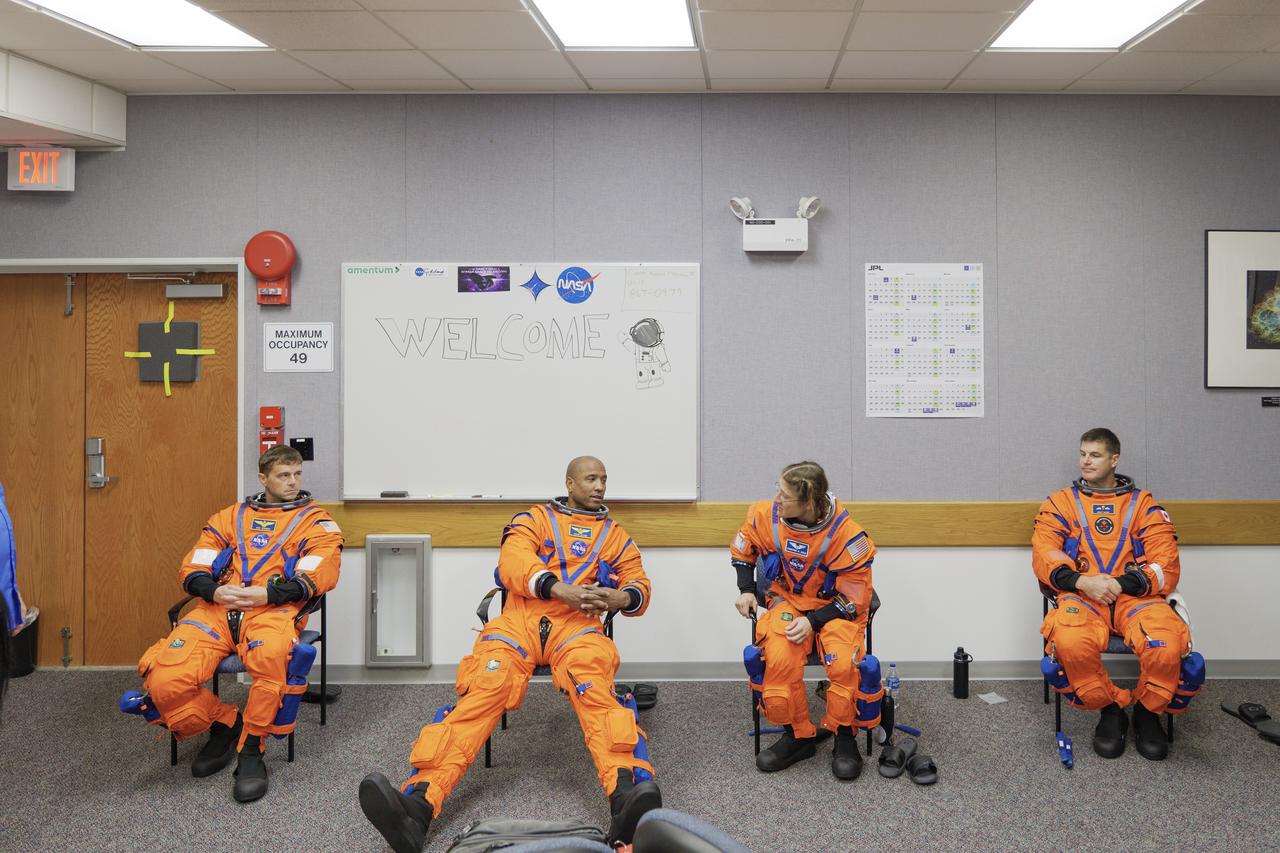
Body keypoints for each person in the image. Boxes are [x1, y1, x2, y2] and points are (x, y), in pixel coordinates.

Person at [359, 456, 660, 852]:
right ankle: (417, 806)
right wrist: (558, 588)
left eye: (604, 478)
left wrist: (621, 596)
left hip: (578, 628)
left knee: (597, 691)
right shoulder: (533, 519)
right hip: (519, 621)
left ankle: (626, 801)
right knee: (486, 687)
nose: (600, 485)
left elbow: (638, 582)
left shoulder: (616, 535)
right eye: (591, 478)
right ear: (570, 483)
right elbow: (512, 562)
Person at [120, 445, 343, 799]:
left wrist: (268, 595)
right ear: (263, 478)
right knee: (164, 680)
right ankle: (226, 721)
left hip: (272, 611)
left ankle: (251, 749)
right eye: (284, 475)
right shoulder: (230, 517)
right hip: (216, 610)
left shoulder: (316, 522)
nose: (293, 482)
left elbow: (320, 570)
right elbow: (195, 565)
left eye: (297, 474)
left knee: (272, 661)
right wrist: (216, 591)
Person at [1033, 428, 1203, 760]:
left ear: (1115, 459)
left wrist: (1118, 584)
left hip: (1135, 599)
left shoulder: (1144, 506)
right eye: (1082, 453)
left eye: (1094, 455)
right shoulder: (1060, 503)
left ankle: (1147, 712)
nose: (1085, 461)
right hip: (1083, 596)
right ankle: (1110, 708)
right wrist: (1084, 582)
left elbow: (1165, 563)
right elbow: (1045, 553)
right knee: (1068, 642)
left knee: (1166, 641)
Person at [731, 461, 880, 780]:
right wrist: (746, 590)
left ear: (809, 502)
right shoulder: (765, 516)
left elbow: (854, 598)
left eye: (784, 495)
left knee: (843, 663)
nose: (777, 499)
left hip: (835, 608)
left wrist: (814, 622)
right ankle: (799, 736)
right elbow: (744, 548)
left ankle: (843, 735)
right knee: (779, 657)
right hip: (787, 600)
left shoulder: (846, 535)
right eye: (777, 490)